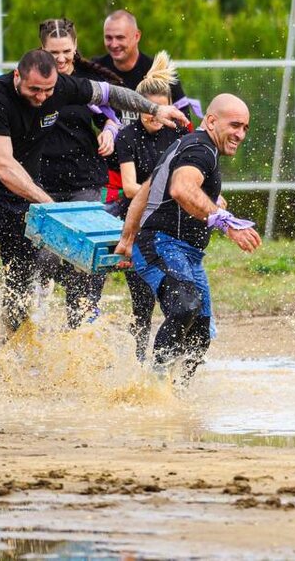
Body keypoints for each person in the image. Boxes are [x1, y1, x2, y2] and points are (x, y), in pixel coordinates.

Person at [0, 49, 188, 390]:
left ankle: (8, 351)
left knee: (21, 281)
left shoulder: (61, 87)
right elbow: (4, 166)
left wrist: (155, 108)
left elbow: (111, 93)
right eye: (34, 91)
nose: (42, 97)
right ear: (18, 77)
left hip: (24, 202)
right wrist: (51, 205)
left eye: (47, 91)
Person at [114, 94, 261, 385]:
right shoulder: (201, 150)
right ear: (210, 120)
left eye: (245, 127)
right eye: (234, 125)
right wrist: (227, 223)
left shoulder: (187, 144)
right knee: (185, 306)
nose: (240, 134)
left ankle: (179, 395)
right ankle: (154, 390)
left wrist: (127, 238)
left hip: (185, 253)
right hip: (161, 244)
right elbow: (182, 189)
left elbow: (145, 190)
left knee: (200, 334)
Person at [36, 18, 123, 328]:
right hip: (43, 181)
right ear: (41, 50)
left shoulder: (87, 83)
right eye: (53, 52)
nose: (60, 59)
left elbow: (114, 118)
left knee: (87, 250)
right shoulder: (34, 80)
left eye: (66, 52)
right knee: (46, 256)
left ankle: (82, 315)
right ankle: (39, 306)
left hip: (85, 179)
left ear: (75, 48)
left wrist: (109, 133)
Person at [116, 51, 190, 359]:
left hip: (172, 224)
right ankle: (138, 357)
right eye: (149, 109)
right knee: (142, 299)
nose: (154, 114)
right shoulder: (126, 137)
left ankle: (177, 353)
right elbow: (130, 187)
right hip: (138, 223)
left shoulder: (179, 135)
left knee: (182, 294)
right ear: (138, 107)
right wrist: (167, 191)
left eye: (161, 108)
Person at [93, 9, 195, 212]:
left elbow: (184, 126)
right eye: (108, 38)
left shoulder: (158, 75)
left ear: (137, 36)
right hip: (114, 172)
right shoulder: (96, 69)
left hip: (156, 166)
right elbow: (85, 113)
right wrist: (108, 126)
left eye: (120, 37)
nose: (114, 44)